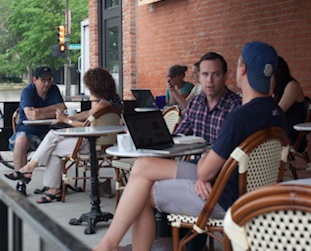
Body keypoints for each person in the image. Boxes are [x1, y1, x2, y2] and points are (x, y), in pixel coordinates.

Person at [94, 41, 287, 251]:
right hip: (249, 193)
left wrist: (205, 171)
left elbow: (205, 170)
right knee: (142, 166)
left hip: (223, 195)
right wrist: (206, 170)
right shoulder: (276, 113)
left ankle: (109, 246)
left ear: (242, 70)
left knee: (141, 192)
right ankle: (109, 245)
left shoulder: (238, 117)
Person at [5, 67, 123, 202]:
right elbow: (89, 114)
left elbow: (88, 125)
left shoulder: (101, 105)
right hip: (103, 143)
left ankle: (31, 170)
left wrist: (66, 120)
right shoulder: (111, 102)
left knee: (52, 141)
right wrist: (66, 117)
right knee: (53, 142)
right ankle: (51, 189)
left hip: (90, 144)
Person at [174, 52, 241, 146]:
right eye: (205, 74)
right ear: (199, 77)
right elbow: (180, 136)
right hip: (195, 159)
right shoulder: (195, 103)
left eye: (216, 74)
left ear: (225, 76)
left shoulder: (235, 108)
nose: (209, 80)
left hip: (222, 160)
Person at [8, 66, 66, 172]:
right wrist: (53, 111)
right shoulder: (28, 91)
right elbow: (31, 115)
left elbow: (62, 108)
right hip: (28, 131)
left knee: (61, 141)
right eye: (43, 80)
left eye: (49, 80)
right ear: (35, 80)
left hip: (49, 132)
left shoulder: (54, 89)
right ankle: (21, 178)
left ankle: (55, 185)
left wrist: (40, 113)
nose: (47, 83)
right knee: (21, 140)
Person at [273, 56, 307, 146]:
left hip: (290, 133)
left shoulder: (292, 86)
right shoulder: (277, 89)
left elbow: (278, 112)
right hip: (279, 132)